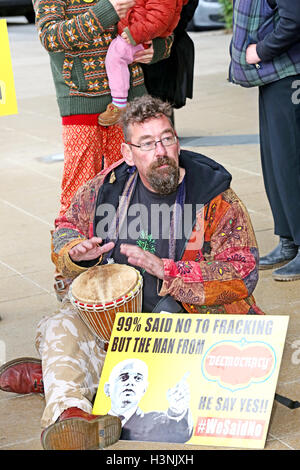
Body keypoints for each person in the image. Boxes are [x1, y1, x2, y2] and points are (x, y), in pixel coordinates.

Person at [0, 95, 264, 450]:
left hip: (185, 324)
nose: (161, 151)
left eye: (167, 138)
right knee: (57, 326)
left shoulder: (215, 197)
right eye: (147, 143)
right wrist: (76, 253)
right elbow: (65, 226)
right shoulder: (105, 188)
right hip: (117, 330)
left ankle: (60, 377)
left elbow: (243, 269)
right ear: (127, 153)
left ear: (177, 141)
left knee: (160, 374)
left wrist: (169, 270)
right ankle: (72, 415)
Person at [32, 0, 174, 299]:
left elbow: (161, 16)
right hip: (80, 103)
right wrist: (106, 11)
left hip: (131, 104)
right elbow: (51, 37)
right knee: (79, 189)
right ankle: (69, 267)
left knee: (137, 183)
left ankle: (143, 260)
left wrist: (157, 49)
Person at [231, 0, 300, 281]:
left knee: (291, 163)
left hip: (289, 75)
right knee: (276, 164)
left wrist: (260, 50)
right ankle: (289, 240)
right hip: (275, 76)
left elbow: (294, 18)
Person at [98, 0, 188, 126]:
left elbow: (160, 19)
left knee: (117, 56)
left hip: (139, 38)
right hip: (134, 32)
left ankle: (119, 102)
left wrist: (136, 34)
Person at [104, 358, 193, 443]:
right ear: (107, 389)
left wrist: (177, 410)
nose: (130, 382)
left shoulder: (156, 421)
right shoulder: (94, 423)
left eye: (138, 378)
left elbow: (178, 433)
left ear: (144, 389)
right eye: (123, 377)